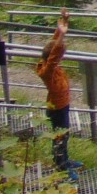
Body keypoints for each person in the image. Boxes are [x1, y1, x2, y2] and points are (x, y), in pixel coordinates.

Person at [35, 10, 82, 176]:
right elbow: (54, 54)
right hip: (57, 109)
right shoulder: (47, 71)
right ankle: (61, 166)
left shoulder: (49, 65)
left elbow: (53, 45)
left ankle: (65, 160)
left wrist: (64, 22)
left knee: (64, 135)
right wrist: (61, 36)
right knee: (60, 137)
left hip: (63, 106)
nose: (61, 58)